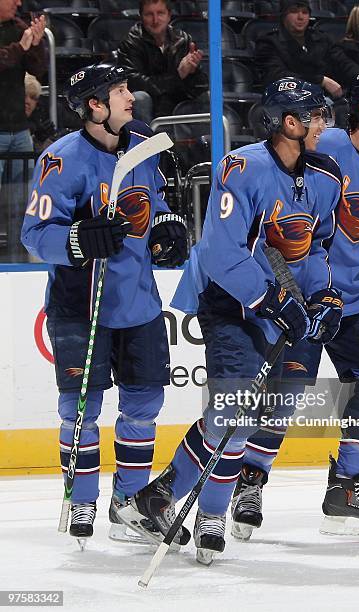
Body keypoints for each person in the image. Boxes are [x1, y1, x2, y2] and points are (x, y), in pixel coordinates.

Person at [116, 77, 344, 564]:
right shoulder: (241, 168)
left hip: (280, 305)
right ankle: (209, 511)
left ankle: (157, 497)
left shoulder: (326, 176)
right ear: (289, 122)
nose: (323, 123)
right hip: (231, 303)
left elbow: (318, 247)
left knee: (254, 415)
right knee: (233, 415)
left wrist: (324, 294)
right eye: (315, 115)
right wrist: (268, 299)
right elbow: (221, 252)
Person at [231, 72, 359, 540]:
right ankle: (249, 480)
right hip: (306, 295)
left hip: (358, 299)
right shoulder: (322, 145)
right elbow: (287, 213)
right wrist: (284, 285)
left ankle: (345, 488)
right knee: (288, 391)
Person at [21, 63, 189, 547]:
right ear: (95, 105)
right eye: (118, 91)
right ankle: (82, 499)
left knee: (144, 405)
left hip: (138, 303)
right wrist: (77, 239)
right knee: (80, 408)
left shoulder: (143, 151)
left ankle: (130, 505)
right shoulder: (60, 159)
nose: (130, 97)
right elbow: (35, 234)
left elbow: (153, 205)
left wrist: (166, 228)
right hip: (80, 305)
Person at [0, 0, 46, 253]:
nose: (18, 2)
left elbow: (37, 69)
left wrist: (36, 44)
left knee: (22, 204)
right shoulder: (19, 37)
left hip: (19, 128)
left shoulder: (19, 27)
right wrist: (22, 46)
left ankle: (19, 259)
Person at [116, 0, 208, 122]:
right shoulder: (131, 43)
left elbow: (200, 86)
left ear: (169, 15)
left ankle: (208, 140)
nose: (155, 20)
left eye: (160, 13)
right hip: (150, 103)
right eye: (149, 14)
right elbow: (135, 84)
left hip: (176, 99)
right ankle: (148, 139)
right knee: (140, 98)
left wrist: (193, 72)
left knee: (208, 97)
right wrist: (178, 75)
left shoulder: (183, 40)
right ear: (141, 16)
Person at [255, 0, 343, 101]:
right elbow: (276, 76)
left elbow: (343, 63)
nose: (300, 17)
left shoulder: (321, 38)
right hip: (288, 98)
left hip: (324, 96)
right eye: (294, 11)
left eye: (305, 12)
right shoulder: (268, 41)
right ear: (284, 15)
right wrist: (321, 81)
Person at [24, 72, 56, 154]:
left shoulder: (39, 123)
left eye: (33, 97)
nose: (28, 101)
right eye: (23, 96)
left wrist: (41, 140)